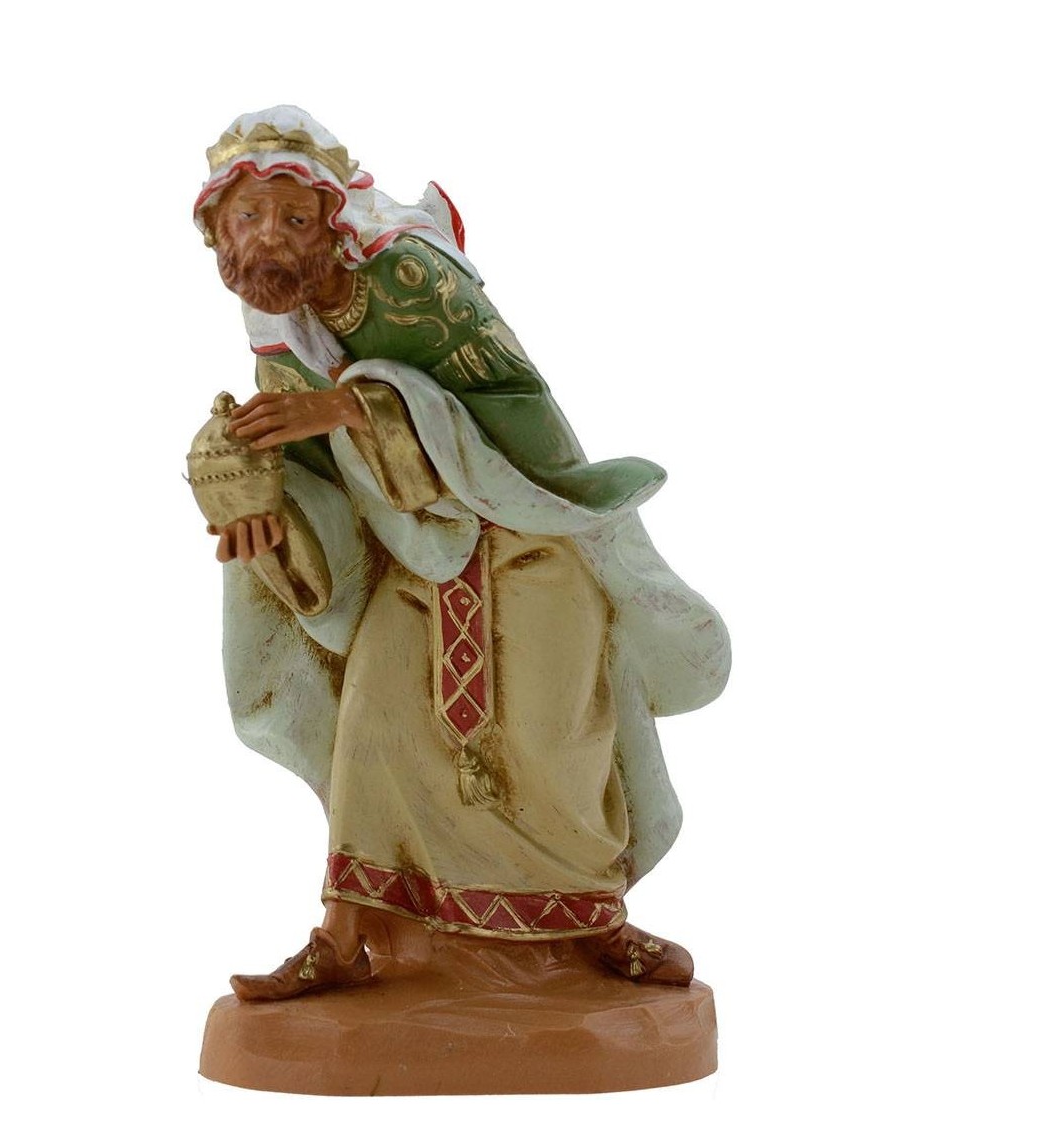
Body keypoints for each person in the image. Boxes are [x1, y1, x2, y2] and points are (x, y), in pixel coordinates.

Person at [191, 106, 730, 1000]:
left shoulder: (408, 276)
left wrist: (357, 404)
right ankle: (346, 935)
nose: (269, 237)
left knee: (558, 737)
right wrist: (255, 495)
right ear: (217, 229)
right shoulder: (277, 329)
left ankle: (598, 920)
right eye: (248, 217)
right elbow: (323, 484)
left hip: (526, 543)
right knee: (371, 726)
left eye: (292, 216)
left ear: (330, 218)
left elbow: (519, 408)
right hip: (413, 564)